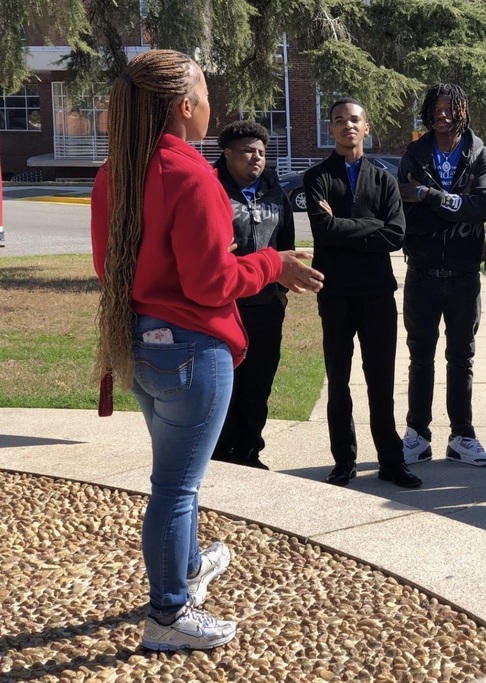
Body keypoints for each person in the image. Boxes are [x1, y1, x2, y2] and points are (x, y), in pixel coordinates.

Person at [90, 49, 323, 650]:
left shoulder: (114, 171)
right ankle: (167, 615)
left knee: (175, 477)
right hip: (190, 352)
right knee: (175, 488)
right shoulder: (192, 176)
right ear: (185, 106)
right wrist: (272, 264)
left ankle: (189, 565)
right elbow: (211, 283)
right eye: (205, 91)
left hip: (138, 344)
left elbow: (107, 268)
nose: (212, 103)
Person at [304, 97, 420, 489]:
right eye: (339, 121)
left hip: (376, 296)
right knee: (338, 380)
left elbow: (396, 234)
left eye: (354, 120)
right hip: (334, 293)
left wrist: (346, 227)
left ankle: (390, 461)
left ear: (366, 127)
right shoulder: (318, 177)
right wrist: (369, 226)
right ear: (331, 129)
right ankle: (344, 461)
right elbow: (324, 231)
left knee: (381, 381)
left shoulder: (385, 179)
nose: (347, 126)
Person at [397, 83, 486, 468]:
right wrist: (455, 202)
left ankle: (462, 437)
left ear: (462, 111)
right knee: (420, 358)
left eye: (449, 108)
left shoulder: (480, 155)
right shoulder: (415, 153)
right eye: (436, 109)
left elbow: (483, 207)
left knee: (462, 357)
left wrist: (428, 195)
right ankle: (418, 436)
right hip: (422, 272)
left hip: (464, 274)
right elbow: (410, 219)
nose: (442, 115)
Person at [211, 120, 295, 470]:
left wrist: (280, 289)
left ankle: (249, 451)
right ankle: (222, 450)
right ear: (228, 153)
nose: (256, 158)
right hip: (225, 306)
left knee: (259, 383)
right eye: (248, 151)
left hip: (266, 306)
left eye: (261, 152)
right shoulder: (212, 189)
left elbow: (286, 243)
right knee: (225, 384)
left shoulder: (275, 191)